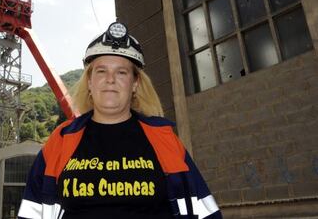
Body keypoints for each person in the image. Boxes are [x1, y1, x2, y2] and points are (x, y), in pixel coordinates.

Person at [18, 22, 222, 219]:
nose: (110, 79)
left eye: (121, 72)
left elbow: (205, 211)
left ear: (135, 83)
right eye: (101, 71)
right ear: (89, 82)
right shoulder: (60, 141)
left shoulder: (164, 140)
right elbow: (32, 212)